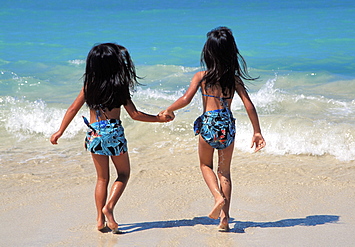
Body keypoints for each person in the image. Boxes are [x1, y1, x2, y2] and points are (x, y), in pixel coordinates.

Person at [50, 43, 172, 234]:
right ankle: (110, 207)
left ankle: (99, 219)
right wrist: (158, 119)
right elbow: (135, 114)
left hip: (94, 134)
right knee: (123, 174)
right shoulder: (119, 87)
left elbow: (73, 109)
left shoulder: (89, 86)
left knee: (101, 178)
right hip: (114, 133)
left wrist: (60, 131)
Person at [161, 27, 266, 232]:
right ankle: (224, 218)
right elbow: (249, 106)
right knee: (224, 171)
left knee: (205, 165)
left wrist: (168, 110)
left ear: (208, 53)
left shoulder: (202, 76)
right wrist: (257, 131)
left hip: (209, 124)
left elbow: (186, 99)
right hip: (227, 125)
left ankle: (217, 197)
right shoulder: (234, 79)